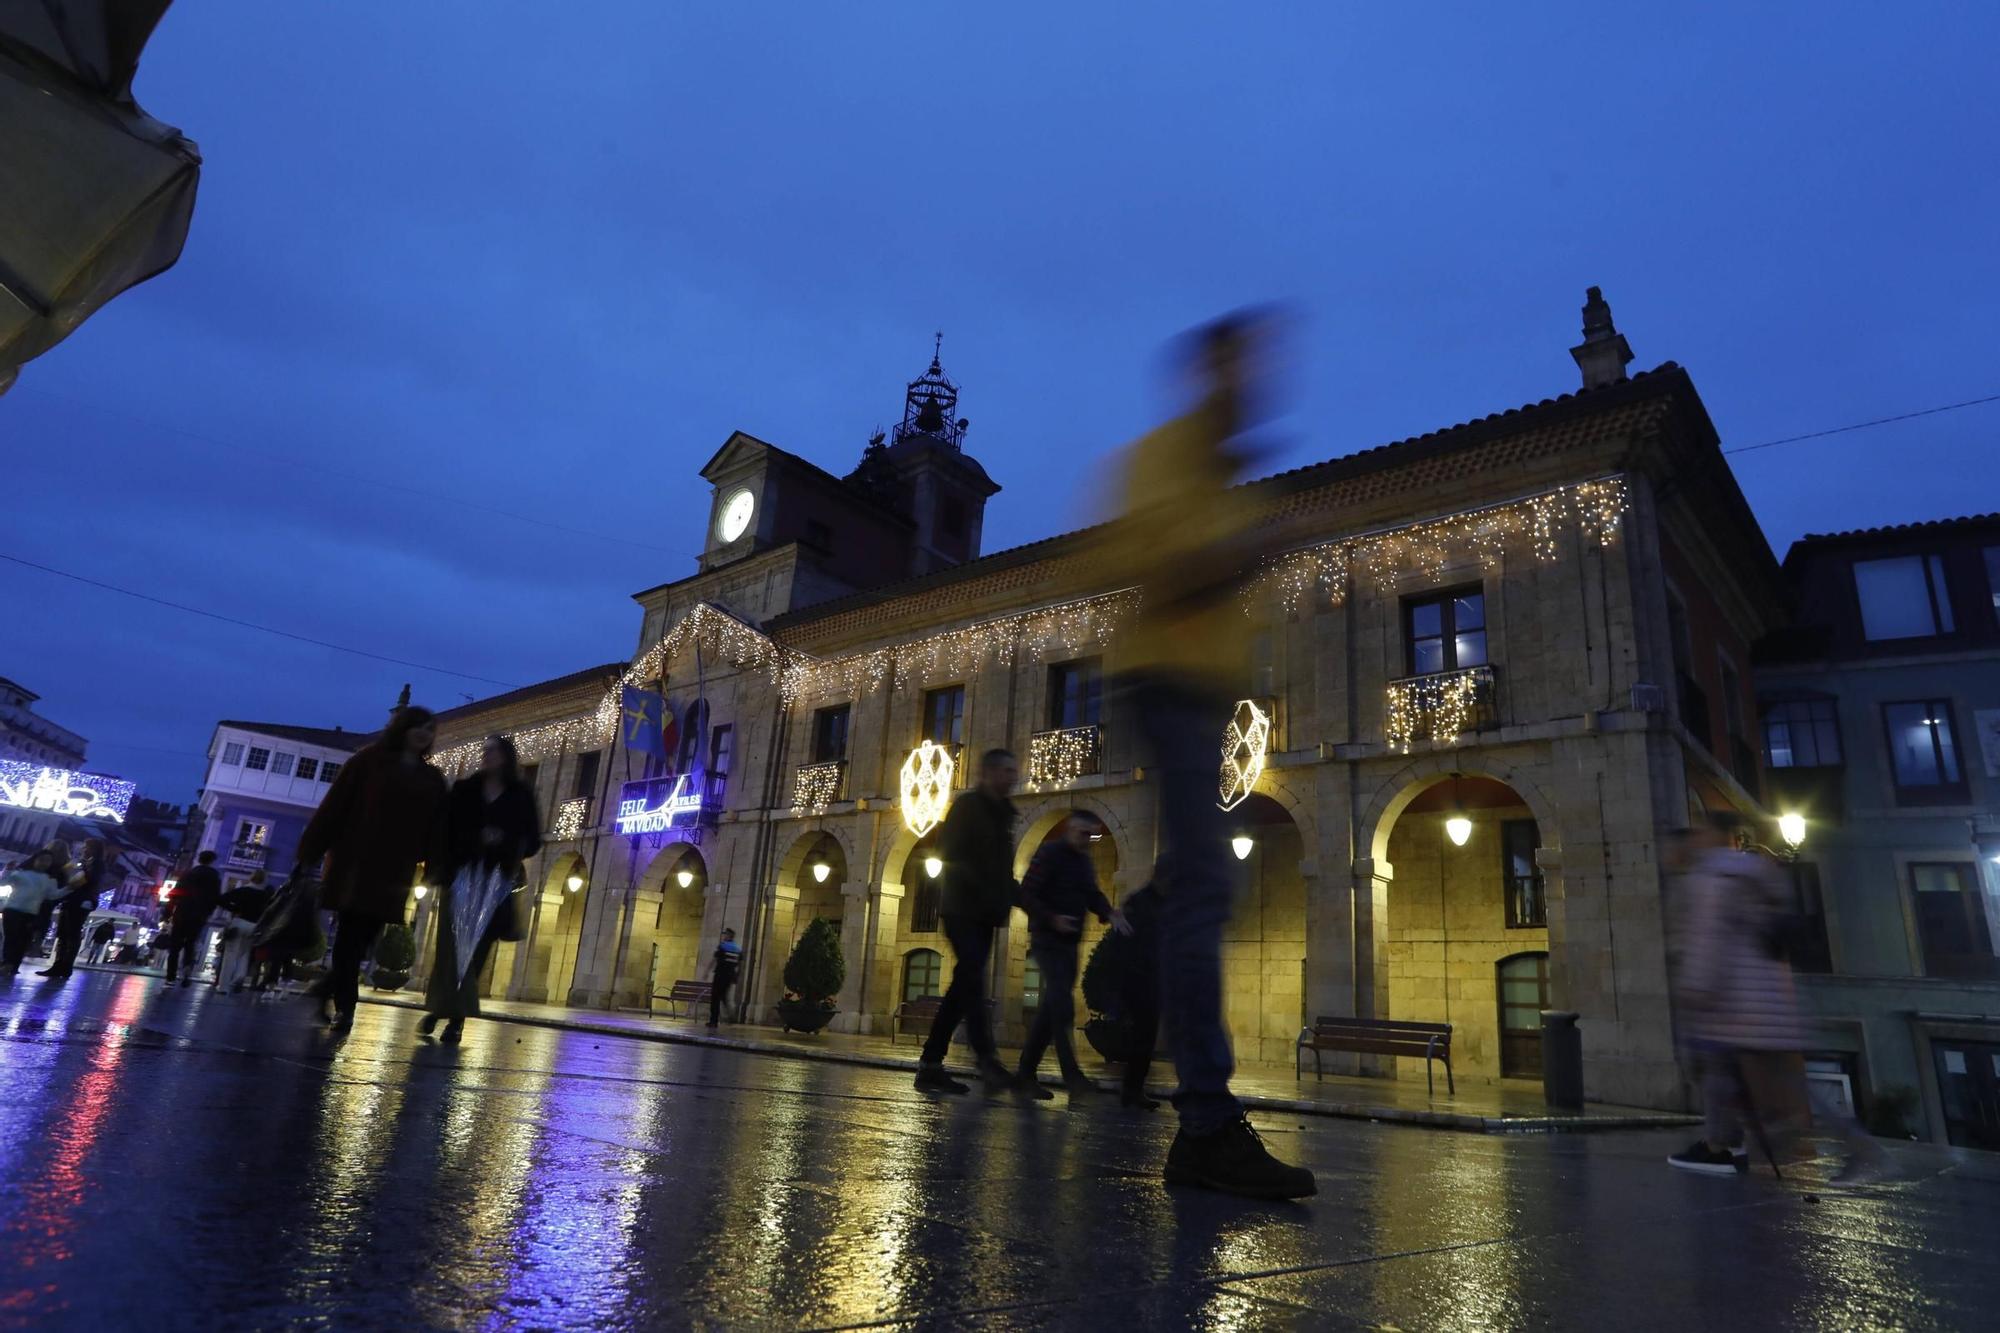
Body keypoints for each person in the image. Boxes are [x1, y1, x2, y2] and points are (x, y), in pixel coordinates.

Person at [1090, 310, 1315, 1198]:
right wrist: (1247, 552)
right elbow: (1163, 575)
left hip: (1203, 701)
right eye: (1241, 363)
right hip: (1166, 688)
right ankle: (1208, 1124)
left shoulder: (1226, 478)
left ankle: (1201, 1114)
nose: (1254, 379)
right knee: (1206, 891)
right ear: (1210, 371)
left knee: (1193, 884)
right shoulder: (1166, 460)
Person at [1666, 819, 1890, 1183]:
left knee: (1779, 1087)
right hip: (1767, 1000)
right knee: (1728, 1076)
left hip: (1735, 1004)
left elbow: (1706, 944)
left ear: (1710, 838)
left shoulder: (1713, 880)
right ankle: (1718, 1144)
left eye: (1697, 834)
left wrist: (1693, 992)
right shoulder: (1756, 872)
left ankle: (1862, 1150)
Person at [296, 705, 449, 1032]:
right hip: (356, 863)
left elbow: (437, 826)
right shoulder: (367, 762)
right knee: (351, 937)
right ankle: (346, 1008)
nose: (424, 734)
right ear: (403, 729)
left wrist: (436, 864)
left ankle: (325, 990)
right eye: (418, 727)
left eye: (429, 729)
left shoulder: (431, 777)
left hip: (394, 871)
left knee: (367, 939)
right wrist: (311, 849)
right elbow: (335, 807)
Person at [914, 748, 1021, 1097]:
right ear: (987, 772)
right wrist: (985, 886)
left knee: (963, 987)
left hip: (986, 914)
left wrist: (1033, 904)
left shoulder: (1005, 815)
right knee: (973, 979)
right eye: (1006, 771)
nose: (1012, 777)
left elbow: (1004, 875)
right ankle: (987, 1058)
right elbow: (950, 853)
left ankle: (931, 1064)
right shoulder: (967, 808)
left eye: (1013, 771)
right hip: (961, 909)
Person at [419, 735, 539, 1044]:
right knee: (451, 948)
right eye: (485, 751)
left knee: (476, 952)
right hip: (461, 877)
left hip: (495, 882)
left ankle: (454, 1019)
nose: (487, 756)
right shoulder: (464, 790)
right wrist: (475, 839)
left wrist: (504, 840)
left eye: (494, 752)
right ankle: (438, 1010)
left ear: (507, 757)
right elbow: (445, 830)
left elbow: (533, 840)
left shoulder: (520, 795)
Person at [1014, 812, 1129, 1100]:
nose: (1087, 840)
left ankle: (1025, 1075)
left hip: (1069, 942)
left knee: (1050, 1009)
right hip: (1047, 940)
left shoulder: (1084, 861)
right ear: (1070, 829)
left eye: (1091, 835)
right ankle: (1072, 1077)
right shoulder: (1050, 854)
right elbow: (1026, 894)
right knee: (1061, 1006)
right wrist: (1051, 919)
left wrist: (1110, 913)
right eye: (1082, 833)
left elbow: (1091, 893)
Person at [1114, 880, 1165, 1110]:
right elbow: (1127, 938)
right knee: (1142, 1036)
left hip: (1149, 978)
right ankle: (1131, 1090)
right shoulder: (1142, 902)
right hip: (1139, 978)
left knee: (1145, 1036)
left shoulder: (1158, 901)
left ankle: (1133, 1089)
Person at [39, 837, 106, 979]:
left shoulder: (97, 864)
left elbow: (89, 879)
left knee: (71, 934)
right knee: (64, 934)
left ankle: (65, 966)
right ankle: (59, 965)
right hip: (73, 900)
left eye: (86, 847)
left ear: (93, 849)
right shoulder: (89, 863)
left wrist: (73, 879)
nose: (83, 849)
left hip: (80, 901)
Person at [163, 851, 223, 986]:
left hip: (182, 913)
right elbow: (216, 897)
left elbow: (174, 894)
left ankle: (170, 977)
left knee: (175, 947)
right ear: (212, 861)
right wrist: (208, 912)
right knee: (191, 943)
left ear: (199, 859)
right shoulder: (214, 877)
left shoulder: (188, 874)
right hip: (199, 915)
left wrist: (167, 913)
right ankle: (187, 969)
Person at [1, 850, 63, 978]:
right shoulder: (21, 874)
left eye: (48, 861)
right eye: (42, 859)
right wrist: (7, 870)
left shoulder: (48, 879)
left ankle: (11, 964)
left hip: (30, 912)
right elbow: (3, 882)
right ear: (35, 859)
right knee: (11, 937)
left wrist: (69, 888)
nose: (44, 863)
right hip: (12, 909)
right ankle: (8, 963)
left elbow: (53, 895)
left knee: (22, 939)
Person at [214, 870, 276, 992]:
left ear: (251, 878)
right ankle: (240, 976)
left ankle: (223, 986)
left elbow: (220, 899)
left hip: (239, 923)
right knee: (245, 953)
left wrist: (234, 909)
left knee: (230, 955)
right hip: (254, 926)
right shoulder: (265, 895)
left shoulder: (242, 891)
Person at [708, 927, 741, 1028]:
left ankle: (713, 1021)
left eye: (725, 934)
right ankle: (730, 1015)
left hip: (720, 975)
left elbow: (714, 959)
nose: (724, 936)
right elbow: (740, 964)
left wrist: (707, 971)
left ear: (729, 936)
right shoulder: (737, 949)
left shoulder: (723, 946)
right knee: (724, 997)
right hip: (730, 976)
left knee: (715, 997)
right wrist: (736, 976)